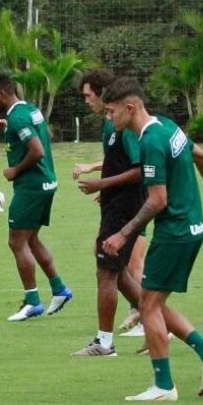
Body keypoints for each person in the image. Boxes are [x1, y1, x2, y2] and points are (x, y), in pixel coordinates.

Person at [101, 77, 203, 401]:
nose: (109, 118)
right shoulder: (168, 126)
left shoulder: (150, 142)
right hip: (192, 228)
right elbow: (202, 156)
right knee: (153, 302)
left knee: (148, 306)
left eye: (111, 111)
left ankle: (163, 386)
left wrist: (123, 233)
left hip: (175, 232)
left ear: (130, 108)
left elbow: (157, 199)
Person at [0, 74, 72, 321]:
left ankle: (32, 302)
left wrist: (15, 170)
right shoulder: (28, 109)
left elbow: (37, 150)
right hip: (46, 182)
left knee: (16, 241)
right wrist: (7, 126)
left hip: (31, 186)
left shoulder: (18, 116)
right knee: (31, 239)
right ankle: (59, 289)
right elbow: (34, 134)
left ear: (2, 94)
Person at [70, 70, 145, 356]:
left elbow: (139, 170)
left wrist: (103, 183)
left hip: (125, 209)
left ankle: (104, 343)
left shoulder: (125, 128)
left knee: (106, 272)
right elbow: (120, 164)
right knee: (118, 272)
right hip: (116, 205)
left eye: (89, 95)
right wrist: (106, 189)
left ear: (103, 93)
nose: (87, 100)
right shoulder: (111, 125)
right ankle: (158, 323)